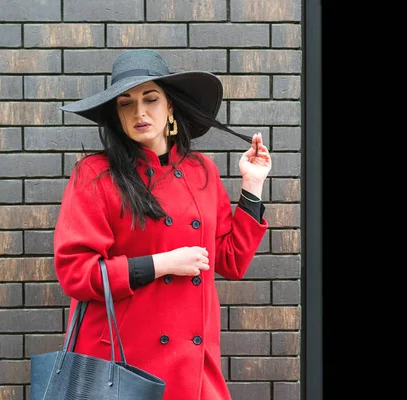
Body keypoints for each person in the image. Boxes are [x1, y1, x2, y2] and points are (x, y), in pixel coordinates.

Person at [53, 49, 271, 400]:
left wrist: (252, 186)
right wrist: (163, 263)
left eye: (150, 99)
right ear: (117, 114)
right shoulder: (95, 175)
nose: (139, 112)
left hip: (194, 368)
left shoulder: (202, 171)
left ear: (170, 106)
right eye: (126, 103)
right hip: (122, 368)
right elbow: (76, 273)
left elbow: (231, 260)